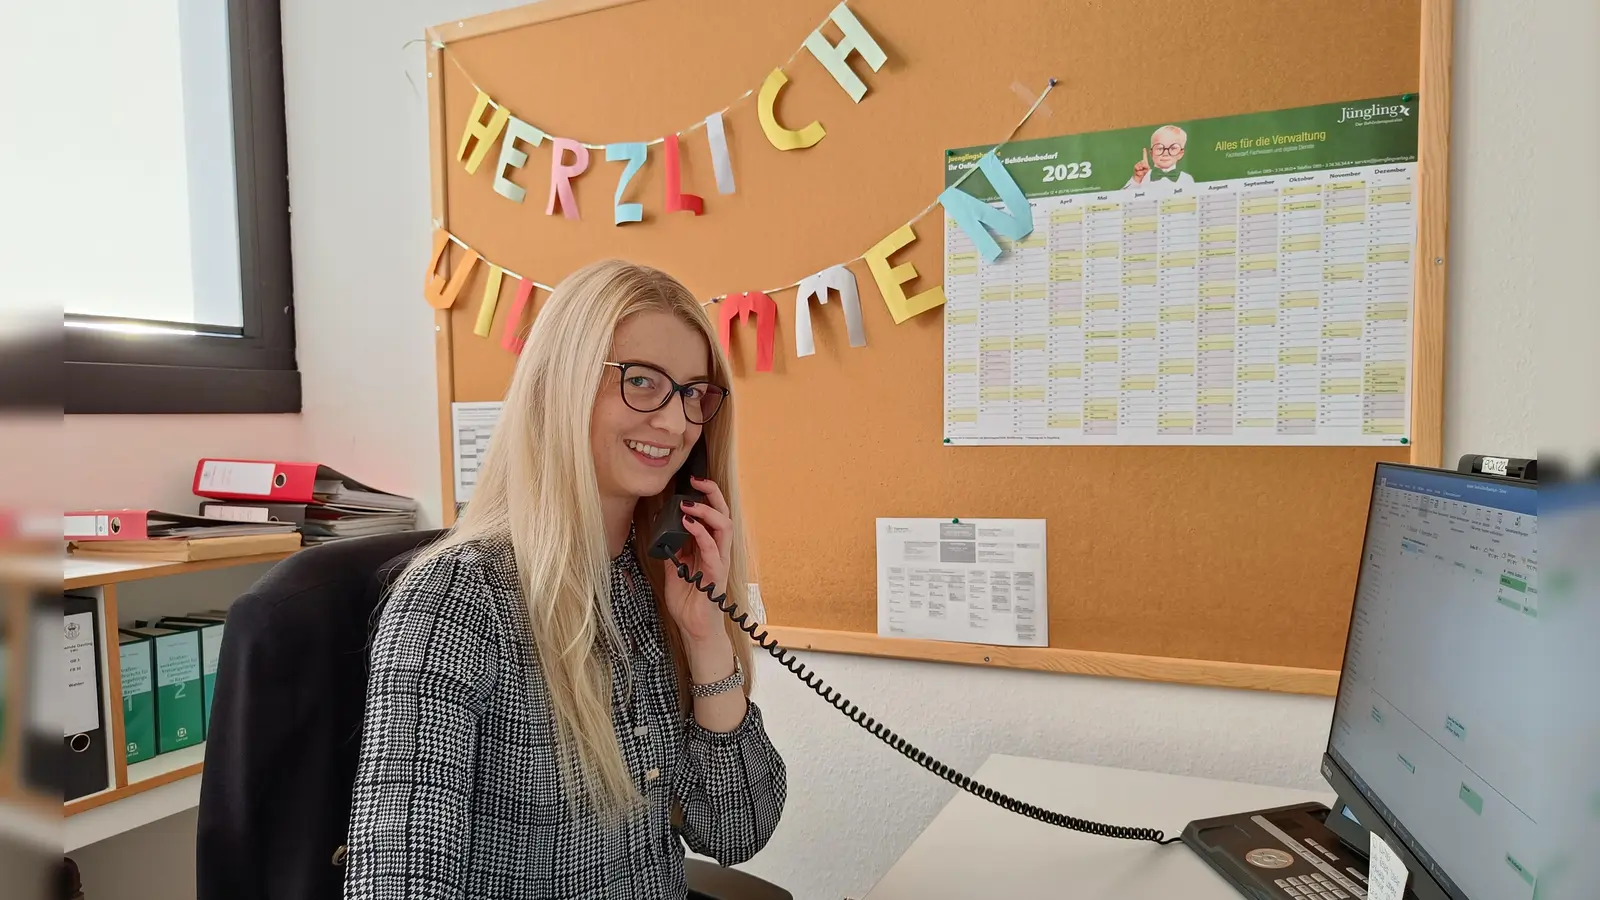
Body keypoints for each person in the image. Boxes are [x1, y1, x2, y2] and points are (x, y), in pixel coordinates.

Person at [342, 260, 786, 899]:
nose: (675, 421)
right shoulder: (454, 602)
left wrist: (707, 638)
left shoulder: (652, 584)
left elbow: (736, 831)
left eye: (693, 392)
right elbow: (400, 881)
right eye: (641, 382)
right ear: (560, 386)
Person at [1125, 124, 1194, 188]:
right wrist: (1137, 179)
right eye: (1160, 148)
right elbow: (1123, 196)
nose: (1165, 153)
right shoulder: (1144, 177)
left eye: (1172, 148)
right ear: (1151, 153)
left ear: (1180, 154)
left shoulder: (1186, 179)